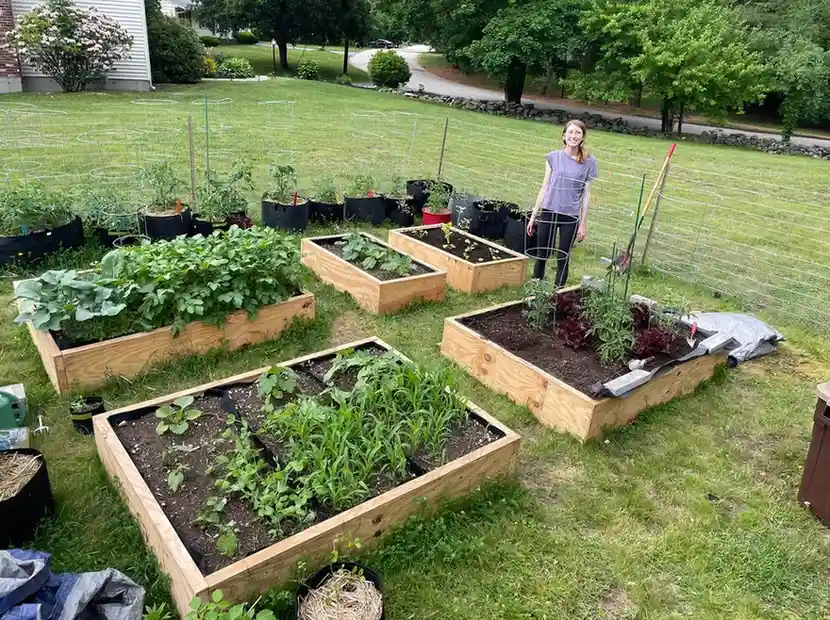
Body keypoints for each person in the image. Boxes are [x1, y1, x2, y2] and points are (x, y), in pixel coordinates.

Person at [527, 119, 598, 286]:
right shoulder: (553, 157)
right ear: (564, 136)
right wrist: (534, 216)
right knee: (542, 254)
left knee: (562, 256)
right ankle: (537, 288)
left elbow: (586, 195)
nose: (573, 136)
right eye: (571, 132)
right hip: (549, 210)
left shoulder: (589, 162)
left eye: (578, 133)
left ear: (582, 137)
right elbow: (544, 187)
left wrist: (582, 224)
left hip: (570, 215)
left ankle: (558, 293)